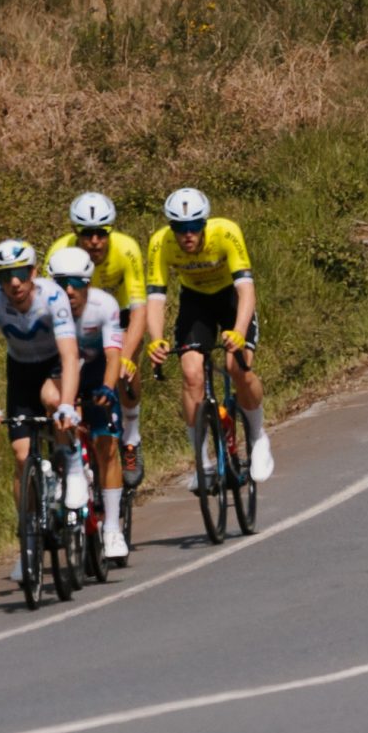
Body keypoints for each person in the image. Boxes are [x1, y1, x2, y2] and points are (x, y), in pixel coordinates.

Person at [145, 188, 274, 486]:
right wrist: (156, 339)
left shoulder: (226, 232)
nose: (187, 234)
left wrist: (239, 332)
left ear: (204, 223)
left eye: (194, 226)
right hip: (196, 302)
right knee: (191, 375)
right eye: (179, 228)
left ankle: (258, 437)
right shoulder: (161, 243)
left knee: (236, 367)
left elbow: (246, 290)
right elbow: (156, 298)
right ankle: (201, 462)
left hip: (230, 298)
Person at [0, 238, 83, 582]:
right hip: (20, 370)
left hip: (55, 362)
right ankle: (29, 544)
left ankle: (73, 466)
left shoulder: (53, 296)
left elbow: (70, 354)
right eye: (5, 276)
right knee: (22, 457)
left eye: (20, 274)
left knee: (52, 400)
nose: (14, 283)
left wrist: (68, 402)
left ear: (33, 273)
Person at [51, 192, 146, 487]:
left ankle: (131, 437)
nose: (94, 241)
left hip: (120, 315)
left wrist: (126, 358)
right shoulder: (60, 252)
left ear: (110, 231)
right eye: (87, 234)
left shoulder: (127, 249)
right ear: (75, 232)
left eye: (101, 233)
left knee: (124, 370)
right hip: (78, 321)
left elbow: (140, 311)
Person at [48, 245, 130, 562]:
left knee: (106, 444)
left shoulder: (104, 305)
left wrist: (108, 388)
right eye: (61, 284)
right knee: (57, 416)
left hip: (97, 373)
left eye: (75, 283)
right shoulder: (45, 310)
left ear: (88, 284)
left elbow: (113, 355)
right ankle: (66, 473)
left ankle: (112, 528)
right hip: (62, 372)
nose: (68, 291)